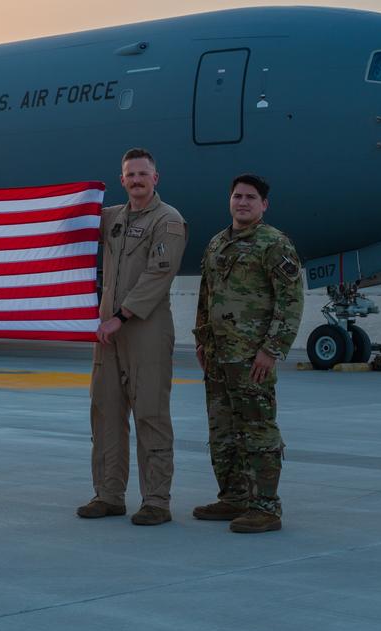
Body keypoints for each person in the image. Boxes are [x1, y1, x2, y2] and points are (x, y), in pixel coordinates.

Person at [78, 148, 187, 526]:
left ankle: (156, 500)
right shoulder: (111, 219)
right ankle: (108, 494)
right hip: (108, 334)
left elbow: (158, 277)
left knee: (150, 414)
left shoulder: (168, 221)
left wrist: (120, 316)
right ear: (122, 180)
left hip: (145, 330)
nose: (137, 180)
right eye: (130, 175)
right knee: (105, 412)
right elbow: (72, 223)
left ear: (155, 179)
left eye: (143, 174)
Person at [192, 173, 303, 533]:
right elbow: (205, 297)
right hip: (218, 355)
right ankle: (235, 497)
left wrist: (271, 350)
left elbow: (291, 302)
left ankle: (266, 506)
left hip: (252, 357)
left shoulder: (274, 244)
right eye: (237, 196)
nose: (242, 202)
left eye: (250, 198)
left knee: (257, 429)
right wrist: (201, 341)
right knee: (222, 429)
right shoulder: (216, 243)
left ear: (263, 205)